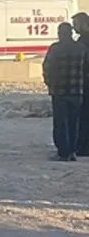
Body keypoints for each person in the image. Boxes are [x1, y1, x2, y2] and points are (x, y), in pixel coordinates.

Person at [41, 22, 89, 161]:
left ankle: (63, 152)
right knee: (75, 122)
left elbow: (47, 67)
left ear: (59, 33)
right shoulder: (81, 48)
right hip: (77, 91)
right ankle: (72, 151)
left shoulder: (55, 49)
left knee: (61, 123)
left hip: (59, 90)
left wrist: (49, 83)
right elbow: (86, 67)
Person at [74, 12, 89, 157]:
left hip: (85, 83)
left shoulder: (84, 42)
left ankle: (83, 146)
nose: (74, 28)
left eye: (76, 25)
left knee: (84, 115)